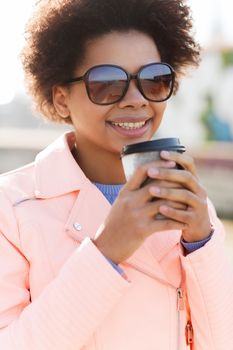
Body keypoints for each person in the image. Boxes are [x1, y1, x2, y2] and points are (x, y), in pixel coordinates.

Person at [0, 0, 232, 349]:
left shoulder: (190, 204)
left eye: (154, 80)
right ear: (62, 99)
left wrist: (202, 240)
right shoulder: (11, 209)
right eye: (108, 83)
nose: (137, 100)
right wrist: (107, 249)